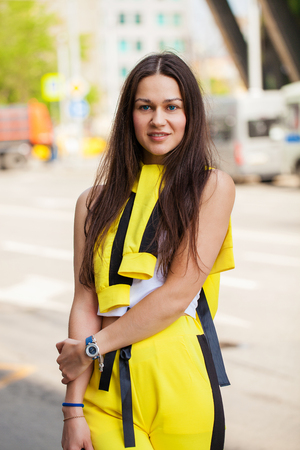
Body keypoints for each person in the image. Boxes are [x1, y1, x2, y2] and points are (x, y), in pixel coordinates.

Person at [56, 52, 235, 450]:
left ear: (190, 116)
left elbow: (176, 294)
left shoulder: (211, 188)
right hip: (103, 390)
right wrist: (72, 409)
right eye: (145, 107)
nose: (159, 119)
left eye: (172, 106)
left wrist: (91, 348)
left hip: (180, 378)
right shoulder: (92, 202)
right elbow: (86, 301)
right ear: (128, 116)